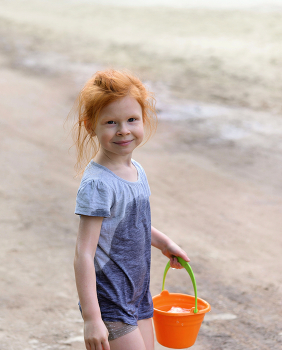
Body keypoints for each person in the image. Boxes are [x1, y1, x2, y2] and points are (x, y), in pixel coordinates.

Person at [71, 69, 190, 350]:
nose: (123, 130)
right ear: (90, 125)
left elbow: (131, 225)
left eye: (131, 120)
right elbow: (83, 253)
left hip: (137, 295)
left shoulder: (136, 170)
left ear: (143, 119)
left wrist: (165, 243)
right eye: (111, 122)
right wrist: (92, 318)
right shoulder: (99, 184)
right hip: (110, 302)